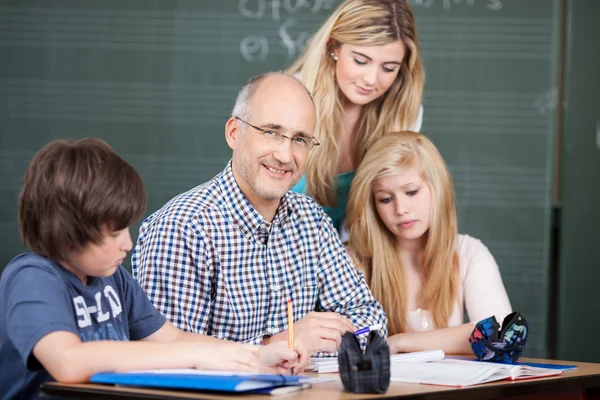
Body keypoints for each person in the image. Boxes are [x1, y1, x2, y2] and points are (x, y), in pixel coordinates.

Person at [0, 138, 308, 399]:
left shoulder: (113, 278)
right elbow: (68, 361)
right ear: (68, 230)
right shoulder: (32, 278)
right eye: (115, 233)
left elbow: (172, 339)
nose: (128, 244)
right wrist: (196, 357)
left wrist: (254, 356)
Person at [132, 73, 387, 356]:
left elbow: (372, 323)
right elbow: (166, 358)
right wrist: (280, 344)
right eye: (271, 132)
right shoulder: (182, 229)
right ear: (234, 133)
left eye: (300, 139)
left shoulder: (312, 221)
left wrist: (329, 340)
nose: (285, 155)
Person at [346, 131, 512, 354]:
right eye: (385, 198)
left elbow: (503, 337)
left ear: (438, 188)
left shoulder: (469, 253)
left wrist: (398, 343)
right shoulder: (351, 261)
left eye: (411, 192)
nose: (401, 209)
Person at [287, 0, 425, 235]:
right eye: (361, 61)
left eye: (389, 68)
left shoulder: (405, 113)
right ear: (334, 48)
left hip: (343, 256)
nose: (372, 79)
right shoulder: (288, 96)